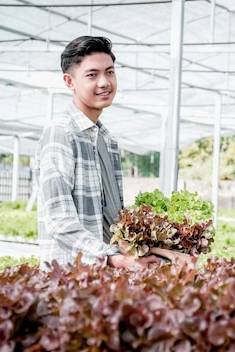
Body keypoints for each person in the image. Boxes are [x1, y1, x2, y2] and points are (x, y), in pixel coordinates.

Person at [34, 36, 158, 270]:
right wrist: (110, 257)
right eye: (92, 75)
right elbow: (59, 220)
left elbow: (113, 217)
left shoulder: (108, 140)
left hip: (105, 277)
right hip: (71, 277)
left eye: (110, 72)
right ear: (69, 82)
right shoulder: (61, 133)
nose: (104, 82)